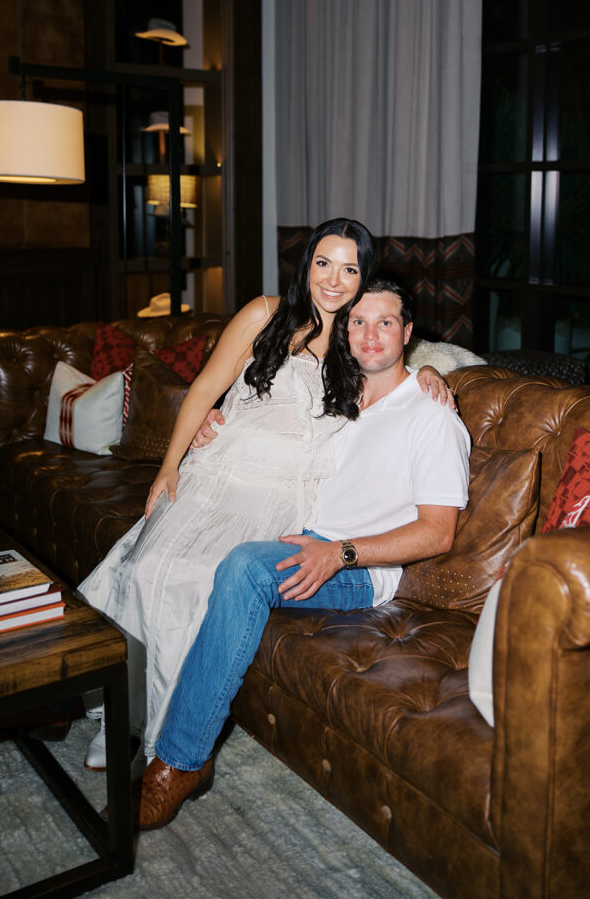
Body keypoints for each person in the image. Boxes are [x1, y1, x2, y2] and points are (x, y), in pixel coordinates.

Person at [77, 221, 451, 770]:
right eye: (324, 262)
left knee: (200, 583)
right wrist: (168, 467)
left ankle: (163, 734)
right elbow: (207, 386)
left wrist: (433, 374)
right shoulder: (265, 313)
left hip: (287, 494)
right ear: (306, 265)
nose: (334, 279)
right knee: (144, 568)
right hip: (219, 471)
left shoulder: (356, 339)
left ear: (363, 277)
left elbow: (396, 365)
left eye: (350, 268)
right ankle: (122, 716)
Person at [132, 277, 471, 830]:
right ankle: (114, 704)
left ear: (408, 334)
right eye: (358, 322)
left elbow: (437, 534)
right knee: (180, 561)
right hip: (300, 530)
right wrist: (212, 423)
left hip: (360, 568)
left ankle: (180, 762)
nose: (369, 335)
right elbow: (266, 414)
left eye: (386, 323)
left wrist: (339, 553)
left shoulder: (432, 417)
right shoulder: (342, 398)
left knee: (243, 568)